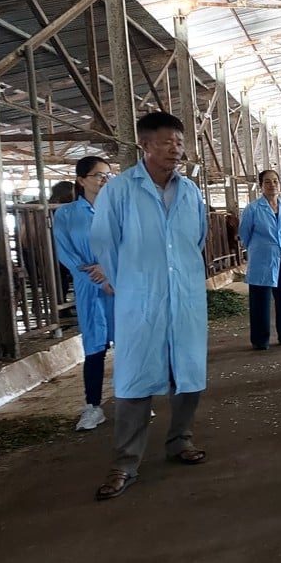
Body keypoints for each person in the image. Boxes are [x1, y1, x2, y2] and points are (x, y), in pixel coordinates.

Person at [90, 111, 209, 501]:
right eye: (166, 142)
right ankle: (124, 463)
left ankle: (180, 441)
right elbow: (105, 243)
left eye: (179, 142)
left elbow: (198, 240)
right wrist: (128, 287)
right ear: (145, 145)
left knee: (188, 374)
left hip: (185, 298)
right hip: (140, 300)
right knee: (134, 382)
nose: (176, 149)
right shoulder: (120, 190)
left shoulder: (190, 192)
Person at [53, 156, 115, 431]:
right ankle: (92, 406)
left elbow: (129, 243)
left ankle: (133, 401)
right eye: (98, 175)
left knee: (127, 345)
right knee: (95, 347)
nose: (104, 180)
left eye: (107, 176)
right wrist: (97, 279)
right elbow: (66, 254)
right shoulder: (65, 215)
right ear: (81, 180)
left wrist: (110, 269)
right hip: (90, 288)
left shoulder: (118, 210)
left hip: (121, 285)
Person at [240, 170, 281, 350]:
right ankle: (260, 339)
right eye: (267, 182)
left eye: (275, 181)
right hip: (262, 257)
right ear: (261, 186)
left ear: (279, 184)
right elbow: (245, 233)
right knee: (260, 299)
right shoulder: (252, 209)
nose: (272, 185)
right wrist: (260, 247)